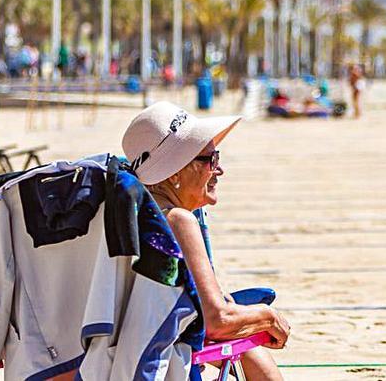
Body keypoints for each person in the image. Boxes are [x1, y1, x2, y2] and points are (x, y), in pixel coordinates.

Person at [122, 102, 291, 380]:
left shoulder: (132, 215)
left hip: (129, 352)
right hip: (159, 362)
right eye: (211, 159)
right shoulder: (176, 220)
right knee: (241, 327)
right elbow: (217, 322)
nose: (219, 170)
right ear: (175, 172)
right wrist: (268, 317)